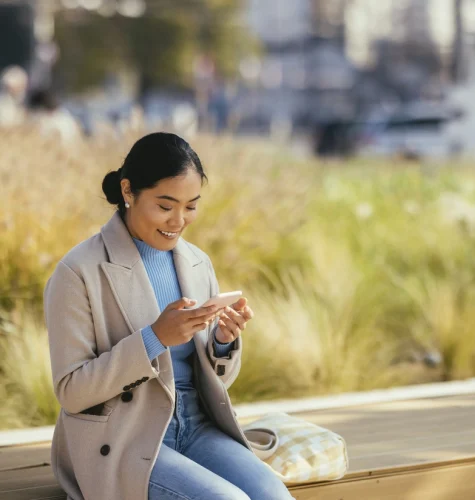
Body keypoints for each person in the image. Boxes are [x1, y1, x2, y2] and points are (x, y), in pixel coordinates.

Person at [43, 132, 294, 500]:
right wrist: (154, 338)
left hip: (196, 425)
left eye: (191, 206)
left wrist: (223, 343)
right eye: (165, 206)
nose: (178, 220)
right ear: (128, 192)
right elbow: (72, 391)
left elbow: (215, 379)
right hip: (124, 436)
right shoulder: (78, 271)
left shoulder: (195, 261)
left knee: (274, 494)